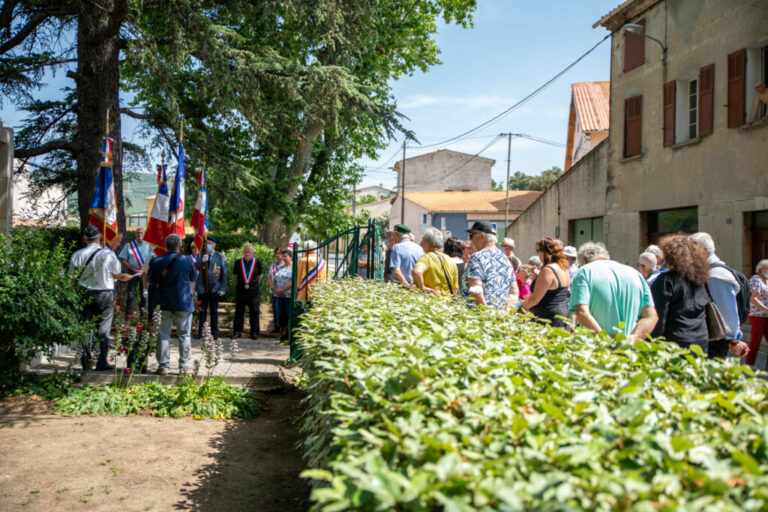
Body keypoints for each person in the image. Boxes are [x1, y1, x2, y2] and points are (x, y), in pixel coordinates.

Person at [70, 225, 132, 370]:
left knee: (85, 328)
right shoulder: (108, 254)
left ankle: (86, 360)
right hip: (104, 293)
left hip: (84, 293)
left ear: (85, 238)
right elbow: (117, 272)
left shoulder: (77, 255)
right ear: (99, 238)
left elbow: (72, 280)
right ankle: (101, 361)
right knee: (103, 329)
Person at [569, 242, 657, 341]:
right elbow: (651, 316)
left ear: (584, 260)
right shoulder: (636, 274)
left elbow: (581, 312)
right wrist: (631, 340)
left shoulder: (584, 272)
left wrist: (606, 342)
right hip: (627, 351)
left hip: (594, 350)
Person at [689, 232, 749, 359]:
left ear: (701, 251)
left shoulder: (716, 275)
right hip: (708, 339)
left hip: (715, 342)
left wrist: (734, 340)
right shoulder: (709, 272)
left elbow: (728, 313)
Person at [649, 236, 711, 353]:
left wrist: (652, 344)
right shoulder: (700, 280)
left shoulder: (666, 280)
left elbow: (658, 317)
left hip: (674, 343)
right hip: (700, 340)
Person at [148, 234, 197, 376]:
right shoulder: (187, 260)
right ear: (180, 246)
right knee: (184, 335)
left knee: (163, 335)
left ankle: (163, 367)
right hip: (183, 303)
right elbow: (193, 277)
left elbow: (151, 279)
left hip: (163, 302)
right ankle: (184, 367)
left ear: (165, 246)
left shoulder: (156, 261)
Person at [462, 221, 519, 310]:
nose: (470, 239)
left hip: (477, 318)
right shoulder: (505, 259)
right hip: (500, 317)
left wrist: (487, 314)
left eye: (472, 235)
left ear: (482, 236)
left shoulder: (477, 257)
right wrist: (507, 314)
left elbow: (476, 289)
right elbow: (514, 292)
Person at [521, 238, 571, 328]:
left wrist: (522, 309)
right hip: (561, 313)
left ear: (544, 252)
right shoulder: (564, 268)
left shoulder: (548, 270)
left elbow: (535, 299)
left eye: (538, 251)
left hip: (547, 317)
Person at [195, 235, 227, 340]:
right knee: (202, 312)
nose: (208, 245)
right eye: (207, 243)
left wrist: (222, 288)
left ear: (214, 245)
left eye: (210, 243)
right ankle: (201, 332)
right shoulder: (202, 255)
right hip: (203, 288)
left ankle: (215, 332)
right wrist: (202, 260)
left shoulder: (220, 256)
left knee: (214, 311)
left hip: (214, 288)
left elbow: (223, 273)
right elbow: (196, 266)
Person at [412, 228, 459, 295]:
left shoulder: (426, 258)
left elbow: (417, 272)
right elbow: (455, 289)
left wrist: (422, 287)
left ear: (427, 243)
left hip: (431, 302)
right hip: (448, 303)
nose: (421, 243)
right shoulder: (450, 260)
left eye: (422, 240)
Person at [118, 227, 152, 315]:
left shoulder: (148, 245)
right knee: (131, 294)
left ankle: (143, 315)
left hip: (144, 273)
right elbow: (124, 260)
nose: (139, 234)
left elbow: (152, 259)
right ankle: (129, 315)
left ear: (144, 234)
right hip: (132, 272)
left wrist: (143, 270)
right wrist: (134, 270)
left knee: (144, 295)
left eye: (141, 233)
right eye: (138, 233)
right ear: (135, 234)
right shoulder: (129, 245)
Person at [232, 244, 263, 340]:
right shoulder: (238, 262)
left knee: (254, 312)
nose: (247, 253)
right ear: (243, 252)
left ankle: (254, 332)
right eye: (245, 251)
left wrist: (250, 283)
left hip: (253, 291)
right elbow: (236, 275)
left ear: (253, 253)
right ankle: (237, 332)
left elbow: (259, 276)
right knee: (239, 312)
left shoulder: (258, 263)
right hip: (241, 291)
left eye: (249, 251)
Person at [746, 259, 768, 366]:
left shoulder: (766, 280)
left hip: (766, 315)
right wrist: (766, 309)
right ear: (762, 269)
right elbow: (753, 298)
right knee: (756, 340)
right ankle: (749, 364)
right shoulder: (756, 280)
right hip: (757, 315)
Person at [273, 249, 294, 339]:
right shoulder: (280, 267)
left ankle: (290, 334)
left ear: (291, 257)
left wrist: (282, 290)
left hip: (288, 295)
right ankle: (284, 333)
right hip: (278, 295)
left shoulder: (294, 268)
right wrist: (277, 290)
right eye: (283, 256)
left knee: (288, 314)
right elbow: (274, 279)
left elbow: (293, 281)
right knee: (280, 314)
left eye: (286, 256)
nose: (284, 258)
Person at [267, 247, 283, 334]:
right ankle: (276, 327)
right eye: (276, 253)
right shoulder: (273, 265)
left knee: (282, 310)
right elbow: (269, 276)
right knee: (275, 309)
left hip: (283, 292)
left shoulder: (286, 265)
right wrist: (272, 286)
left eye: (279, 253)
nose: (277, 255)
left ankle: (283, 328)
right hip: (274, 291)